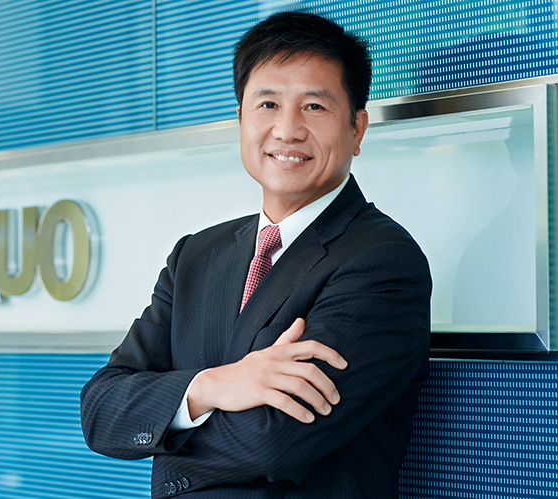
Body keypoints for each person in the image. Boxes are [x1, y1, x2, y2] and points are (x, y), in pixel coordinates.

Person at [80, 11, 431, 498]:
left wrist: (166, 428)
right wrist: (210, 386)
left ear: (357, 128)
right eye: (268, 104)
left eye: (314, 106)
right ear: (241, 120)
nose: (287, 130)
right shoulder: (196, 255)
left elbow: (273, 439)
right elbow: (101, 410)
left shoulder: (381, 260)